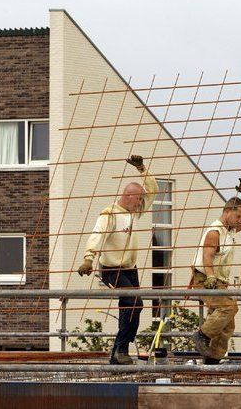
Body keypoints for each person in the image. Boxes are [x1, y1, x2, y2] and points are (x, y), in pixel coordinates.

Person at [77, 154, 158, 365]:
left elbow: (154, 191)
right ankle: (121, 348)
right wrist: (88, 258)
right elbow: (97, 235)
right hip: (111, 269)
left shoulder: (134, 212)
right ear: (128, 196)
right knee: (133, 302)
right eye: (138, 199)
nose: (141, 203)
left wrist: (142, 169)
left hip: (130, 268)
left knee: (133, 306)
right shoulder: (110, 214)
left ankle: (119, 352)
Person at [191, 178, 241, 364]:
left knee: (228, 323)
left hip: (218, 279)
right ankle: (202, 335)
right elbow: (207, 256)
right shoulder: (215, 231)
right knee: (229, 307)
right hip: (205, 278)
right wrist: (210, 275)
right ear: (228, 211)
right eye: (238, 217)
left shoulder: (230, 230)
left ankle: (213, 357)